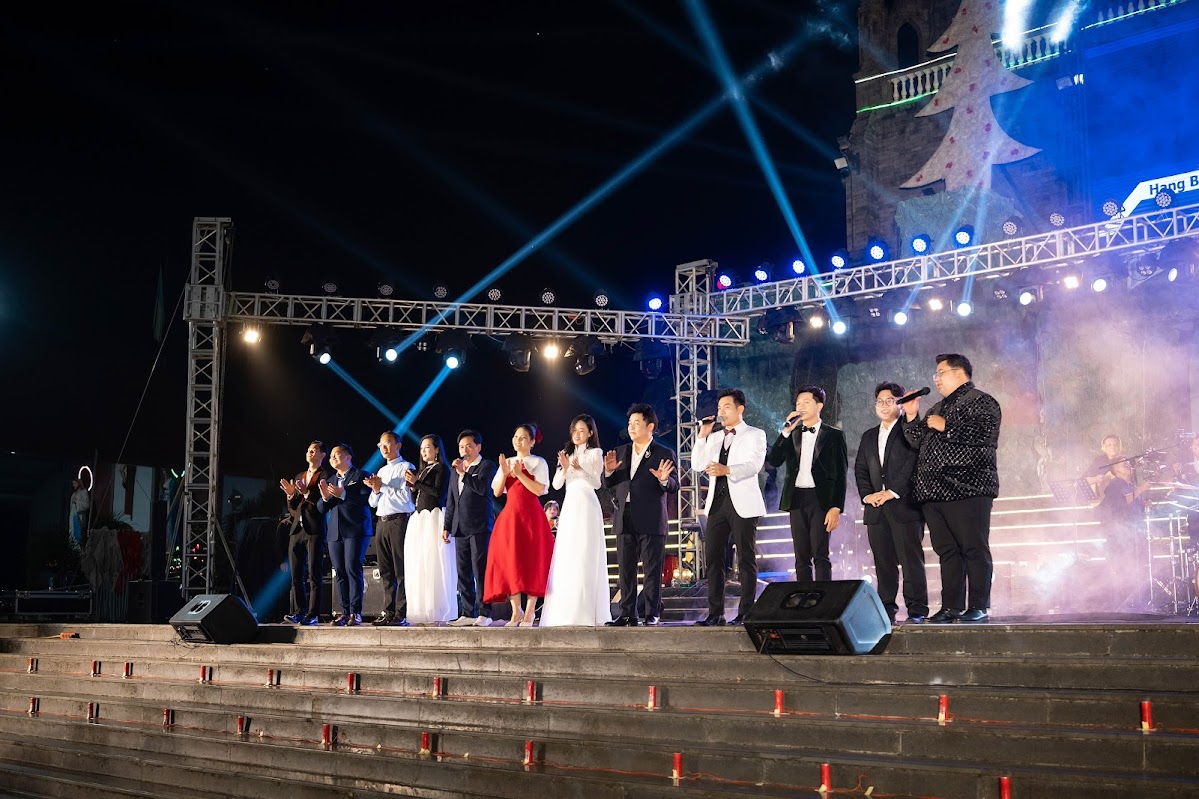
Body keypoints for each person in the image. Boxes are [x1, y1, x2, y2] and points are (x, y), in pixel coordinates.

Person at [902, 354, 1001, 624]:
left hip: (968, 488)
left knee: (974, 548)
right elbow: (917, 441)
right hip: (934, 492)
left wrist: (947, 426)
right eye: (935, 374)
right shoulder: (937, 407)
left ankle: (978, 606)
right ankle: (951, 607)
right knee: (947, 552)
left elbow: (986, 435)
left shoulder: (982, 401)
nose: (936, 379)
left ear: (959, 373)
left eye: (941, 372)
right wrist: (911, 415)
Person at [853, 383, 928, 625]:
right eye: (880, 401)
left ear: (900, 403)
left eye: (890, 400)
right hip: (876, 510)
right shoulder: (868, 436)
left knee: (910, 561)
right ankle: (886, 609)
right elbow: (860, 469)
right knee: (883, 564)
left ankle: (917, 609)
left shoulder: (909, 429)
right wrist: (868, 495)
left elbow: (914, 463)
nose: (884, 405)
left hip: (904, 506)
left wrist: (892, 492)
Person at [692, 389, 767, 626]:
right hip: (717, 504)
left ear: (739, 409)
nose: (721, 412)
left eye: (726, 407)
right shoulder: (714, 437)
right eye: (719, 408)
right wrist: (702, 437)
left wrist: (728, 470)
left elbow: (754, 465)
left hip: (743, 502)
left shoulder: (755, 434)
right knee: (713, 558)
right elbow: (697, 465)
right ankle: (716, 613)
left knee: (746, 557)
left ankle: (746, 612)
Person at [603, 403, 679, 626]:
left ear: (650, 426)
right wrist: (608, 471)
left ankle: (651, 612)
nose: (632, 427)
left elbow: (674, 486)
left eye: (637, 423)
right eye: (630, 423)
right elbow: (609, 484)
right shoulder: (621, 451)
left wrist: (664, 479)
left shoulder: (663, 453)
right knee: (625, 570)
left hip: (651, 518)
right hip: (624, 516)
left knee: (652, 569)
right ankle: (627, 613)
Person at [766, 385, 847, 583]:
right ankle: (804, 595)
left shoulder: (834, 435)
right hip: (796, 498)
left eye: (806, 402)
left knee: (820, 553)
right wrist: (785, 432)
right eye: (798, 403)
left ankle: (824, 596)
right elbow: (773, 460)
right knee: (801, 556)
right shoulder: (792, 433)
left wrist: (836, 507)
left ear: (819, 405)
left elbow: (841, 474)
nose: (801, 406)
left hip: (821, 499)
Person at [542, 415, 612, 627]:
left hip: (587, 504)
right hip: (570, 505)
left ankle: (587, 611)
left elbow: (597, 483)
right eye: (575, 430)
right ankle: (565, 611)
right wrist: (565, 468)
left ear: (590, 433)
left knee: (585, 554)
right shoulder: (566, 454)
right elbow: (556, 484)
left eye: (582, 430)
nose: (577, 434)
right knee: (568, 555)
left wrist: (578, 469)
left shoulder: (595, 453)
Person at [485, 424, 556, 626]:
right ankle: (516, 610)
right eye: (516, 436)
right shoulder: (507, 462)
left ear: (532, 442)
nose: (518, 440)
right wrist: (505, 472)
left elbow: (539, 490)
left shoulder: (538, 462)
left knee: (533, 561)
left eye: (523, 437)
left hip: (532, 516)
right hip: (511, 517)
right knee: (511, 561)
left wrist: (521, 474)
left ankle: (530, 612)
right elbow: (497, 492)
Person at [443, 430, 498, 627]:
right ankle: (467, 612)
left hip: (479, 526)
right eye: (461, 447)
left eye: (468, 446)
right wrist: (447, 526)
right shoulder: (455, 470)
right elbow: (451, 500)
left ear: (478, 447)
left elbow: (483, 489)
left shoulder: (486, 466)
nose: (464, 450)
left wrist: (464, 474)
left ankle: (485, 612)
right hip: (459, 527)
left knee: (480, 570)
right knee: (463, 571)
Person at [317, 444, 375, 626]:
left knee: (352, 567)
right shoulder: (331, 479)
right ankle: (343, 613)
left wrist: (343, 494)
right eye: (331, 456)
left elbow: (366, 499)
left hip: (356, 530)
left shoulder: (361, 475)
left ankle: (355, 612)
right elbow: (321, 508)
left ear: (348, 457)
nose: (332, 458)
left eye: (336, 455)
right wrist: (325, 497)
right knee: (339, 571)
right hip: (335, 532)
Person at [404, 434, 458, 624]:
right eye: (421, 448)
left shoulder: (441, 468)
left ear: (436, 449)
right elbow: (417, 498)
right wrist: (413, 488)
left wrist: (417, 482)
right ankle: (422, 609)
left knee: (434, 562)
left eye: (427, 447)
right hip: (419, 518)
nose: (424, 451)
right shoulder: (423, 470)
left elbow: (438, 493)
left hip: (433, 517)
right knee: (419, 564)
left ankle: (438, 609)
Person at [365, 431, 415, 626]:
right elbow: (372, 502)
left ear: (398, 446)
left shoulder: (406, 467)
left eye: (387, 444)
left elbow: (406, 499)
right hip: (382, 522)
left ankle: (401, 613)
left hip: (399, 521)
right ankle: (388, 611)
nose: (383, 448)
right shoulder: (382, 470)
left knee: (400, 569)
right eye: (381, 445)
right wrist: (376, 489)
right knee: (385, 570)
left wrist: (383, 487)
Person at [281, 440, 332, 625]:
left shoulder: (326, 475)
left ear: (322, 455)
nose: (309, 453)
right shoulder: (300, 475)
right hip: (297, 529)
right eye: (308, 450)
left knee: (314, 573)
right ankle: (298, 611)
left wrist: (306, 494)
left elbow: (322, 504)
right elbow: (294, 506)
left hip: (315, 528)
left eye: (314, 451)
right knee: (296, 574)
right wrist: (291, 495)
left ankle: (313, 614)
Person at [68, 477, 91, 551]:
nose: (73, 485)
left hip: (79, 517)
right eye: (73, 484)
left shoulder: (84, 492)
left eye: (75, 483)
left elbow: (86, 505)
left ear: (79, 483)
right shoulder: (73, 494)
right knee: (72, 534)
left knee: (78, 535)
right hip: (72, 516)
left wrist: (77, 502)